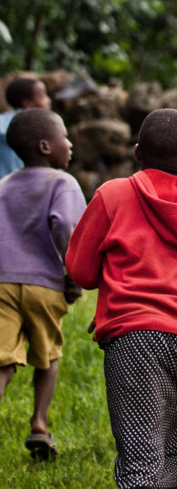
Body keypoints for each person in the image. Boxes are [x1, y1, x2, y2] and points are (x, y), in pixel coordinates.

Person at [65, 109, 177, 489]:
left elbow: (81, 272)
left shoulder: (113, 194)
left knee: (140, 460)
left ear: (137, 152)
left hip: (136, 342)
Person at [0, 108, 86, 460]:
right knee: (47, 355)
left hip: (3, 284)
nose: (70, 143)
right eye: (64, 136)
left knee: (3, 360)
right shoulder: (62, 183)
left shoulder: (3, 186)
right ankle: (39, 422)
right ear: (45, 146)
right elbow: (66, 225)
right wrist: (74, 274)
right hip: (46, 285)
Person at [0, 77, 52, 179]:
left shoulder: (2, 121)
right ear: (28, 104)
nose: (49, 100)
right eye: (43, 96)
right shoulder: (40, 126)